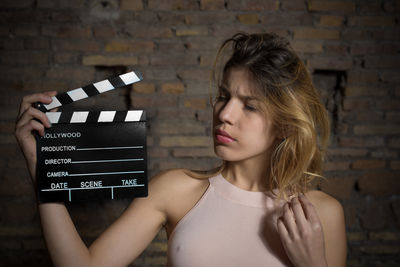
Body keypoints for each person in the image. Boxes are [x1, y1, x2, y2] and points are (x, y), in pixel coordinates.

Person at [15, 32, 346, 267]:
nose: (225, 114)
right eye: (223, 96)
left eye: (249, 106)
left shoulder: (320, 214)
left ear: (285, 125)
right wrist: (41, 165)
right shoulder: (175, 189)